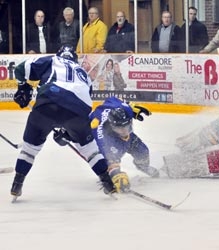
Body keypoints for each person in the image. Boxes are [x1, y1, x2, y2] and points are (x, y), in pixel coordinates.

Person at [10, 45, 116, 200]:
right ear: (74, 59)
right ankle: (108, 183)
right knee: (90, 151)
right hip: (78, 110)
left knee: (29, 150)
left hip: (48, 103)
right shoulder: (84, 75)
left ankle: (17, 184)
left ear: (59, 55)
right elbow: (82, 104)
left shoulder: (52, 59)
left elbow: (20, 69)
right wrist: (70, 134)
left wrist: (23, 87)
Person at [89, 97, 159, 192]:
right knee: (112, 157)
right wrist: (115, 175)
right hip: (107, 137)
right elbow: (110, 161)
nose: (125, 131)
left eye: (128, 126)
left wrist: (131, 106)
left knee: (143, 151)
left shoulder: (125, 110)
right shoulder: (104, 139)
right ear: (112, 126)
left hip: (111, 122)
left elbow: (111, 99)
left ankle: (142, 165)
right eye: (121, 128)